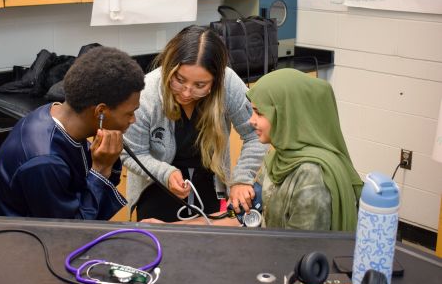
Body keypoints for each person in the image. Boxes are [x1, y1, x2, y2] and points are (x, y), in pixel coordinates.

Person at [121, 25, 268, 222]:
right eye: (179, 80)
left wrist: (242, 178)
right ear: (169, 68)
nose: (187, 93)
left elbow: (255, 135)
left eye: (200, 85)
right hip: (155, 187)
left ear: (216, 81)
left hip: (210, 186)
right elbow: (132, 153)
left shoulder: (228, 84)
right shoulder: (147, 94)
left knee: (209, 246)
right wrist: (165, 173)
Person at [0, 47, 145, 220]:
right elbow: (70, 234)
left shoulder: (54, 114)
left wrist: (105, 162)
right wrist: (101, 170)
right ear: (101, 112)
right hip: (27, 244)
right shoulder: (45, 161)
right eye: (129, 113)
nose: (133, 120)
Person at [246, 69, 363, 231]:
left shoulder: (312, 176)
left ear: (287, 114)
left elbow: (300, 248)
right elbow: (256, 209)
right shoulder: (278, 157)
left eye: (259, 113)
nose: (251, 120)